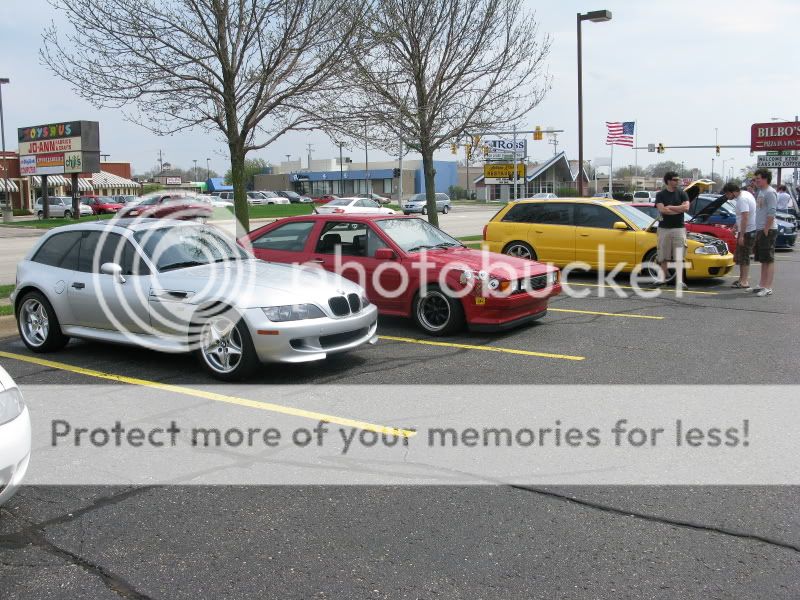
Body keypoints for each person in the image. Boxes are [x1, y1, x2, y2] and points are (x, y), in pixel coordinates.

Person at [654, 171, 690, 287]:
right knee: (664, 256)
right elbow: (662, 210)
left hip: (679, 228)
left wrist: (671, 207)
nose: (677, 181)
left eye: (678, 180)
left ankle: (679, 281)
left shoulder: (682, 193)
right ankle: (662, 279)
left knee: (679, 256)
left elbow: (686, 207)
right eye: (675, 180)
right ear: (668, 181)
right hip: (664, 228)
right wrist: (678, 210)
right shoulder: (660, 195)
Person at [722, 182, 756, 289]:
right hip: (748, 229)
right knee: (741, 256)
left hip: (747, 231)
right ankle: (741, 279)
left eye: (727, 194)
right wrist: (735, 227)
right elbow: (741, 217)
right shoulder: (745, 194)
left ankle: (744, 281)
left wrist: (741, 235)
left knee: (744, 256)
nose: (727, 197)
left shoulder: (742, 200)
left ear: (732, 192)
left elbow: (745, 217)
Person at [752, 168, 778, 297]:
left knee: (768, 259)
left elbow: (772, 212)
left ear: (765, 179)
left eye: (758, 179)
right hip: (760, 229)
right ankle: (761, 284)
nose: (756, 181)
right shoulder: (760, 192)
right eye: (755, 179)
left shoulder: (770, 192)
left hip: (768, 229)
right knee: (763, 259)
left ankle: (768, 287)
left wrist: (766, 229)